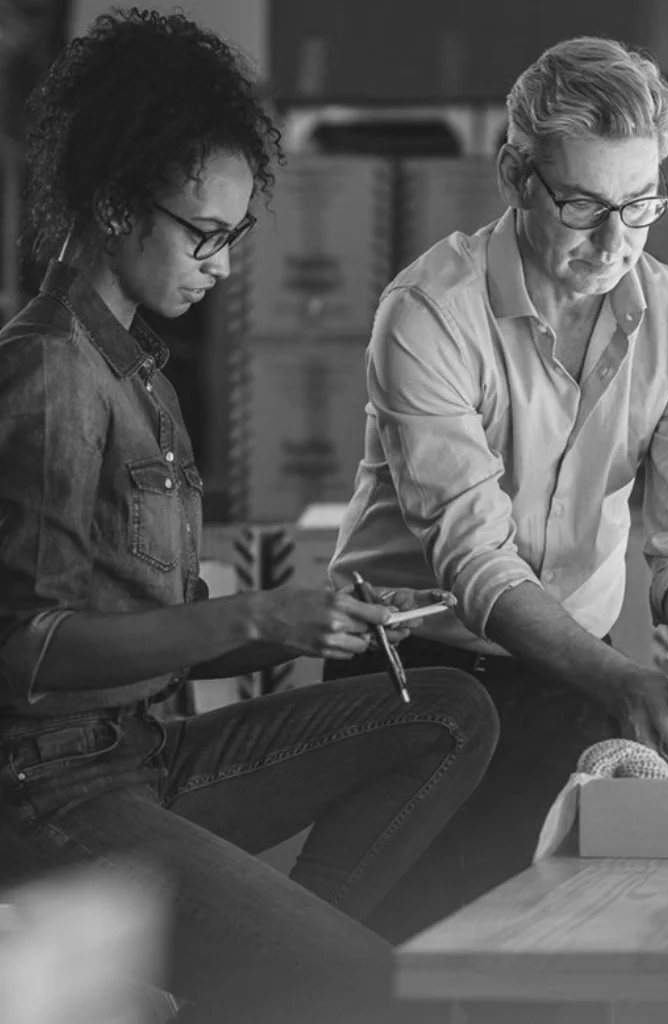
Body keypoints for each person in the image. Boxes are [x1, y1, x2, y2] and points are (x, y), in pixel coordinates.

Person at [0, 10, 501, 1024]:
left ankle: (266, 985)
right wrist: (259, 615)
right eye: (204, 234)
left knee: (449, 712)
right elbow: (25, 650)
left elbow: (165, 628)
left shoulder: (137, 370)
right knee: (374, 989)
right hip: (51, 792)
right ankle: (294, 984)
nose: (221, 265)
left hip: (142, 752)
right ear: (113, 205)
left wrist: (319, 615)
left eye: (233, 237)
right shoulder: (52, 372)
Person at [326, 35, 668, 941]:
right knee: (395, 953)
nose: (615, 241)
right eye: (583, 206)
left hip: (571, 670)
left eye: (640, 206)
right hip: (407, 674)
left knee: (560, 936)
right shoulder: (429, 314)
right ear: (514, 176)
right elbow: (475, 560)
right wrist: (618, 681)